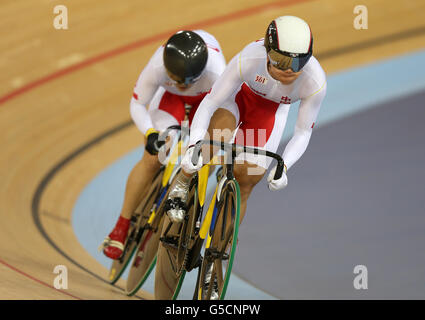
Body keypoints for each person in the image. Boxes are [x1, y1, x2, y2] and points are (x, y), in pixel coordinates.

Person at [166, 15, 327, 229]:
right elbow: (210, 102)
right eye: (282, 61)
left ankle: (221, 251)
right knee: (213, 142)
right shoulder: (250, 58)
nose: (290, 69)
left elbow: (303, 132)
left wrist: (284, 167)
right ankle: (181, 184)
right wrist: (195, 144)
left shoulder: (315, 81)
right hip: (238, 99)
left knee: (248, 179)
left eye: (299, 62)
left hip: (268, 113)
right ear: (267, 52)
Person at [101, 30, 226, 259]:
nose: (182, 84)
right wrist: (150, 133)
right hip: (171, 100)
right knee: (153, 157)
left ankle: (186, 197)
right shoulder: (158, 66)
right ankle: (121, 225)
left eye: (187, 81)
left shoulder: (218, 72)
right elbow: (138, 104)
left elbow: (229, 111)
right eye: (176, 79)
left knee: (206, 156)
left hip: (207, 102)